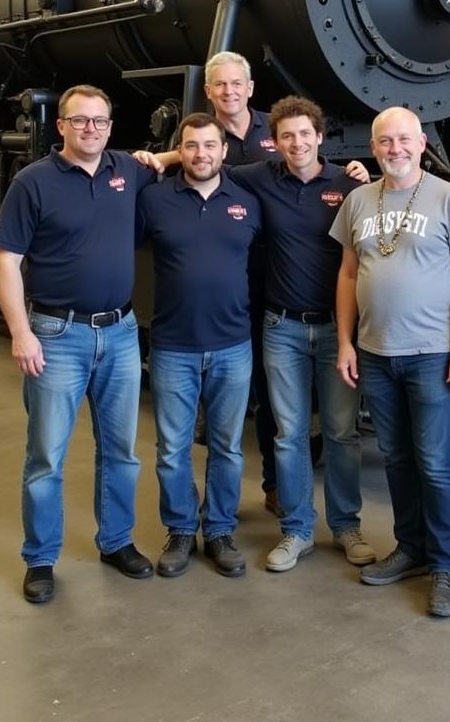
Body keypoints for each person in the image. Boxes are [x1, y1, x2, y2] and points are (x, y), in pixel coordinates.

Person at [0, 84, 163, 605]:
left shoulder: (125, 170)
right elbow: (6, 261)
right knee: (46, 455)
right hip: (56, 335)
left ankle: (115, 541)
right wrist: (20, 331)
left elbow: (178, 158)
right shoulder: (33, 182)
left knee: (122, 451)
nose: (92, 129)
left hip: (120, 333)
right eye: (81, 120)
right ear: (61, 126)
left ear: (112, 126)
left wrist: (166, 154)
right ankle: (41, 559)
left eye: (101, 121)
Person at [331, 107, 450, 618]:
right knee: (396, 457)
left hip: (434, 355)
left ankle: (446, 565)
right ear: (373, 147)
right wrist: (346, 341)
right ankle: (412, 547)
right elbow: (350, 275)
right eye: (384, 141)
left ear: (421, 142)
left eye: (403, 140)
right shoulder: (358, 201)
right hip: (376, 352)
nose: (394, 149)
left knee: (436, 462)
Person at [231, 96, 373, 572]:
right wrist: (157, 158)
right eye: (285, 136)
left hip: (337, 329)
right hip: (282, 328)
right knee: (289, 434)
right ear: (275, 141)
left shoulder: (347, 185)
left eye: (304, 134)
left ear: (319, 136)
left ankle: (347, 527)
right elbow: (204, 163)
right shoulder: (260, 177)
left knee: (341, 432)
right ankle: (296, 531)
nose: (296, 143)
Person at [136, 112, 261, 578]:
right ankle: (182, 530)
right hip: (173, 347)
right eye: (191, 146)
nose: (201, 154)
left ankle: (221, 531)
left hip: (233, 345)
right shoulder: (153, 201)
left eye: (210, 146)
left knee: (227, 447)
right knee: (172, 447)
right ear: (179, 150)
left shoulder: (247, 201)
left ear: (224, 152)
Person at [204, 51, 279, 514]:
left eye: (237, 84)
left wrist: (350, 173)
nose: (230, 92)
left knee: (272, 391)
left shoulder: (277, 129)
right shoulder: (199, 135)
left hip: (272, 275)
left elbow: (311, 165)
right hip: (224, 281)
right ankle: (219, 499)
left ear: (250, 89)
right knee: (222, 395)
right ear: (208, 91)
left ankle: (274, 485)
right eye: (220, 85)